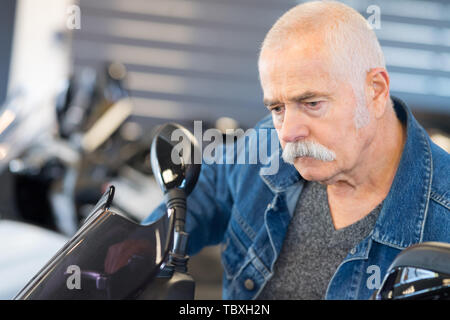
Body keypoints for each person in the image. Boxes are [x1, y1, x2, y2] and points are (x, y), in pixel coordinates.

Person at [144, 1, 450, 300]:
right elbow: (206, 189)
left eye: (312, 103)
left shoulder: (443, 217)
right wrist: (132, 256)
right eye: (278, 107)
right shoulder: (266, 145)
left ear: (376, 91)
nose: (288, 132)